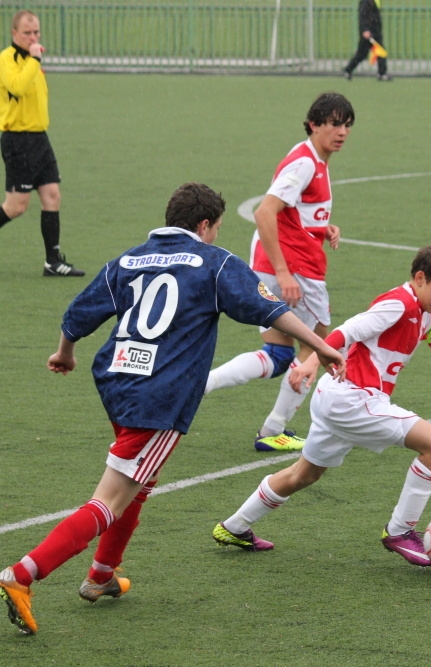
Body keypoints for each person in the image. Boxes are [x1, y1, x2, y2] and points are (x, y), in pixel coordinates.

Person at [0, 183, 345, 636]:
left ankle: (101, 577)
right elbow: (269, 310)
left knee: (140, 482)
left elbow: (78, 313)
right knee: (111, 499)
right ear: (204, 226)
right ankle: (22, 575)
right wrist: (321, 347)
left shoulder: (129, 258)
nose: (217, 237)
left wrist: (65, 352)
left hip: (117, 379)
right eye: (217, 229)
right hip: (159, 397)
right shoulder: (213, 262)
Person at [211, 244, 431, 566]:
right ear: (419, 278)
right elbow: (348, 330)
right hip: (354, 399)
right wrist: (312, 362)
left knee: (303, 474)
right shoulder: (398, 304)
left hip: (336, 397)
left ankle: (234, 527)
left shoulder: (424, 313)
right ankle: (400, 531)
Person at [204, 92, 354, 453]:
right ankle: (275, 428)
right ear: (314, 124)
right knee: (319, 346)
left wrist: (323, 228)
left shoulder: (313, 158)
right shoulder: (304, 163)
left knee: (278, 354)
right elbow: (264, 212)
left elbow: (292, 212)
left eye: (347, 124)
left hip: (277, 262)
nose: (342, 131)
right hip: (295, 269)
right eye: (334, 123)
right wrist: (285, 274)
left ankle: (200, 384)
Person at [0, 10, 83, 277]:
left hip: (40, 140)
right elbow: (17, 87)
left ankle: (53, 261)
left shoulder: (34, 63)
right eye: (27, 33)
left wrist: (35, 61)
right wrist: (34, 59)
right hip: (17, 140)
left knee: (52, 196)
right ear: (14, 34)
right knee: (16, 207)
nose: (33, 37)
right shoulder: (6, 60)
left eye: (36, 32)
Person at [342, 0, 390, 81]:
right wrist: (365, 29)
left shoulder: (375, 1)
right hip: (369, 33)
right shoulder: (366, 1)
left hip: (375, 32)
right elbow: (363, 16)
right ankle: (348, 70)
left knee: (376, 52)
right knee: (364, 53)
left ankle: (382, 73)